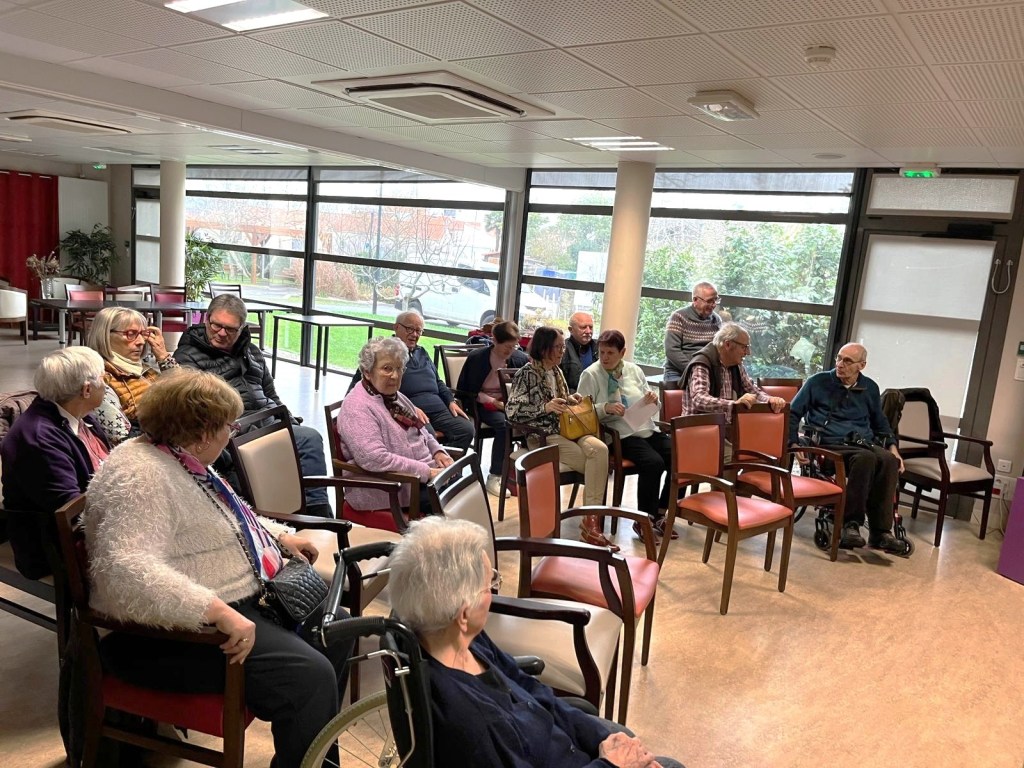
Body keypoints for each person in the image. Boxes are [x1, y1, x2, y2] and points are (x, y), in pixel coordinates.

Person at [85, 369, 353, 768]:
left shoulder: (177, 456)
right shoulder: (140, 474)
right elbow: (122, 569)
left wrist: (280, 536)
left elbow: (226, 516)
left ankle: (314, 762)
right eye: (229, 426)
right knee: (309, 678)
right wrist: (214, 610)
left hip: (226, 605)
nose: (232, 433)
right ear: (203, 432)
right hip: (168, 634)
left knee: (339, 630)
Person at [388, 516, 684, 768]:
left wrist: (601, 738)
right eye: (490, 584)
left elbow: (529, 686)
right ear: (464, 614)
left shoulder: (455, 638)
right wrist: (611, 764)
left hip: (563, 744)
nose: (494, 589)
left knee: (626, 740)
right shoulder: (473, 724)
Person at [174, 294, 332, 517]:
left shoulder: (252, 352)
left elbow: (270, 393)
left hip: (268, 421)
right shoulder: (187, 356)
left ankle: (316, 513)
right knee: (290, 443)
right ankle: (302, 517)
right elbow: (196, 409)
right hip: (235, 429)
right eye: (217, 325)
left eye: (230, 329)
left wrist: (288, 421)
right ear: (206, 319)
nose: (221, 333)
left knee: (309, 437)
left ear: (241, 329)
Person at [0, 347, 110, 579]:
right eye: (104, 378)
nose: (107, 384)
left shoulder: (81, 414)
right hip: (54, 548)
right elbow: (70, 511)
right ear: (86, 389)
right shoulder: (39, 438)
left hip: (95, 522)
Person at [788, 343, 908, 554]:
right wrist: (794, 443)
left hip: (861, 442)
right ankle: (850, 524)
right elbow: (792, 413)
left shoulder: (870, 387)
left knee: (889, 461)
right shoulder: (818, 382)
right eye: (839, 358)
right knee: (865, 459)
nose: (840, 364)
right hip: (829, 442)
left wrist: (892, 447)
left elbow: (880, 422)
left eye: (847, 361)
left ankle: (880, 532)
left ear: (861, 366)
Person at [506, 326, 614, 550]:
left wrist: (570, 399)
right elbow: (512, 411)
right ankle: (592, 523)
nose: (562, 351)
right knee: (594, 464)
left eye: (563, 347)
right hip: (542, 434)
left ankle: (589, 521)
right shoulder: (526, 374)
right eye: (557, 347)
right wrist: (545, 407)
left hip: (567, 428)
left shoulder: (557, 371)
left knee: (601, 450)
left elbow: (561, 400)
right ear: (543, 348)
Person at [336, 337, 454, 519]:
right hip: (390, 488)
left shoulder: (395, 396)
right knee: (455, 507)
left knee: (465, 491)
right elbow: (374, 458)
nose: (395, 375)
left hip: (419, 478)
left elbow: (422, 430)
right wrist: (427, 472)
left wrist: (438, 452)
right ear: (367, 372)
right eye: (387, 368)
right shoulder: (357, 407)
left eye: (399, 368)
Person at [577, 330, 676, 541]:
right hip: (619, 433)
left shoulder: (634, 370)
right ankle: (644, 521)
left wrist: (653, 400)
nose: (605, 358)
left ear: (622, 352)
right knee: (653, 462)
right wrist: (605, 408)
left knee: (678, 457)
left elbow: (652, 402)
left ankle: (660, 512)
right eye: (602, 352)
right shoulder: (591, 374)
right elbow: (581, 412)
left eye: (610, 353)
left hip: (645, 426)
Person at [349, 311, 475, 450]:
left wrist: (450, 400)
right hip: (410, 410)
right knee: (426, 435)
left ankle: (448, 463)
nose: (414, 334)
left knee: (466, 430)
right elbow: (363, 389)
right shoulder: (383, 353)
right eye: (410, 329)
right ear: (396, 327)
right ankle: (433, 463)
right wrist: (409, 407)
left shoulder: (422, 352)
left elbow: (438, 381)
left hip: (438, 409)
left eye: (418, 331)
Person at [456, 320, 530, 497]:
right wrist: (493, 402)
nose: (510, 351)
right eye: (507, 347)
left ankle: (519, 474)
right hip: (481, 403)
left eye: (514, 346)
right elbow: (466, 390)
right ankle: (495, 475)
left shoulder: (519, 359)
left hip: (509, 403)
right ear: (495, 340)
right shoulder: (478, 358)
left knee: (531, 422)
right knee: (504, 424)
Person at [87, 306, 178, 445]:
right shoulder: (101, 379)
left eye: (143, 334)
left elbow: (186, 393)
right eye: (131, 334)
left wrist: (163, 356)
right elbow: (122, 440)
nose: (141, 341)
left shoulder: (142, 369)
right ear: (105, 335)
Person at [663, 281, 724, 383]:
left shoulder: (716, 320)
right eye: (709, 301)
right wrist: (694, 370)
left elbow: (718, 349)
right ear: (695, 300)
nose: (714, 305)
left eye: (715, 300)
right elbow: (672, 351)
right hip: (679, 372)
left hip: (706, 372)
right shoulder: (679, 317)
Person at [560, 311, 598, 393]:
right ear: (571, 330)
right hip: (573, 398)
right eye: (583, 327)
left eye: (591, 327)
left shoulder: (600, 347)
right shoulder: (562, 350)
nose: (588, 331)